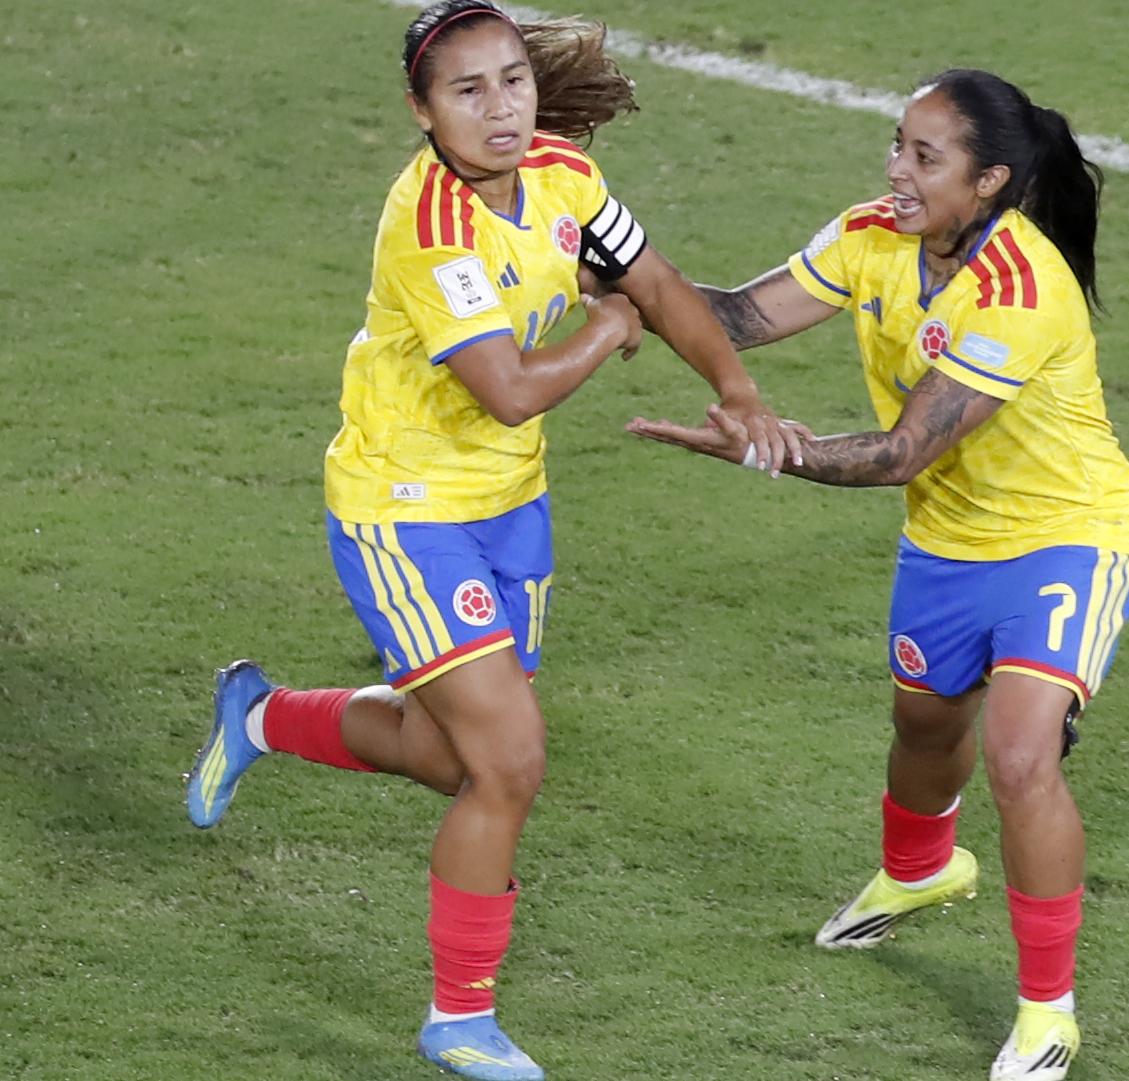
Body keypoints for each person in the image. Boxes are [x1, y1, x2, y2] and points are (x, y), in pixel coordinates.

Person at [182, 4, 800, 1079]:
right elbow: (511, 389)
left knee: (450, 754)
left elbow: (653, 282)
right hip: (404, 508)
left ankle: (265, 715)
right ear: (422, 111)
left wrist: (737, 388)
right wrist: (604, 328)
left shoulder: (562, 174)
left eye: (512, 80)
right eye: (468, 91)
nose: (501, 106)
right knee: (508, 762)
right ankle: (458, 1020)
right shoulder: (428, 226)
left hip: (509, 508)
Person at [628, 68, 1129, 1081]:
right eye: (895, 144)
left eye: (924, 156)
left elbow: (901, 452)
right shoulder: (874, 232)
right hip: (948, 542)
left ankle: (1047, 1013)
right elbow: (737, 314)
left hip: (1066, 536)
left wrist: (759, 448)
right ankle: (919, 870)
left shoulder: (1016, 288)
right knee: (921, 723)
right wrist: (602, 264)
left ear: (990, 179)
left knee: (1017, 754)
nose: (894, 170)